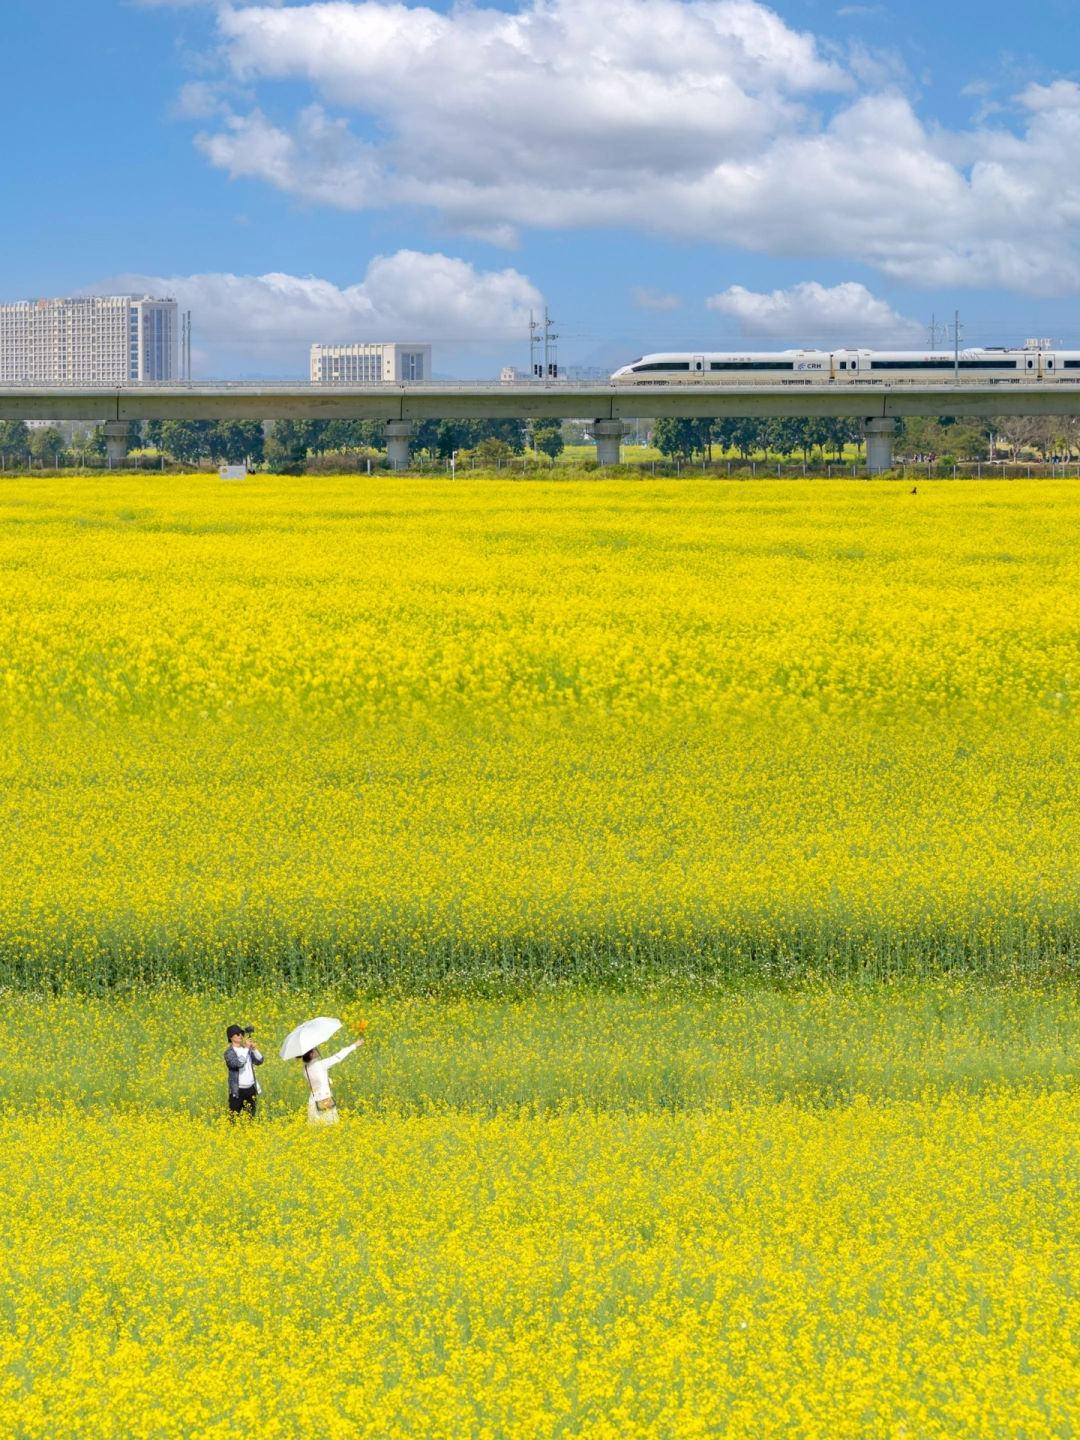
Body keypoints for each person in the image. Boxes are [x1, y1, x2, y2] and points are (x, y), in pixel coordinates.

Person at [300, 1035, 363, 1125]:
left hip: (314, 1100)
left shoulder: (305, 1068)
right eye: (314, 1049)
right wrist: (354, 1045)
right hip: (325, 1097)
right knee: (329, 1123)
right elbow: (338, 1057)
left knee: (316, 1125)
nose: (317, 1050)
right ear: (311, 1054)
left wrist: (324, 1071)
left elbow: (316, 1075)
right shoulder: (321, 1064)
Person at [225, 1025, 264, 1118]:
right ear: (231, 1037)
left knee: (250, 1118)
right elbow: (239, 1064)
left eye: (241, 1033)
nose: (240, 1035)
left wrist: (254, 1049)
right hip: (237, 1090)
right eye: (237, 1033)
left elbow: (259, 1061)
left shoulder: (247, 1050)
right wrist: (246, 1048)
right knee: (233, 1118)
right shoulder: (229, 1052)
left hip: (251, 1089)